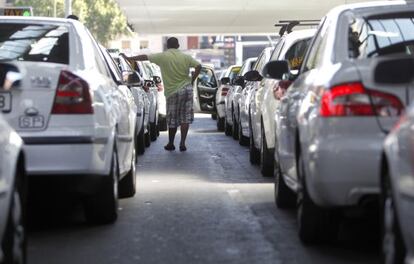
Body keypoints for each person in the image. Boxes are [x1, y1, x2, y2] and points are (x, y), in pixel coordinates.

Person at [121, 37, 201, 152]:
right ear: (178, 45)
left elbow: (144, 57)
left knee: (172, 119)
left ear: (167, 46)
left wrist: (129, 58)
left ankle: (171, 143)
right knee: (185, 118)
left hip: (172, 92)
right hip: (186, 89)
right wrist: (192, 79)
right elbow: (199, 66)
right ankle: (183, 143)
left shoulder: (162, 56)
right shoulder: (186, 57)